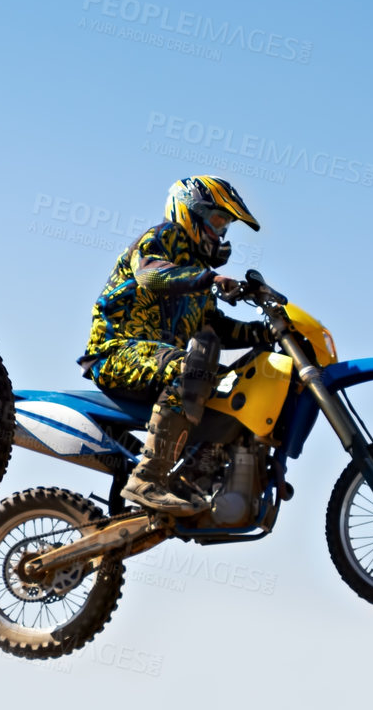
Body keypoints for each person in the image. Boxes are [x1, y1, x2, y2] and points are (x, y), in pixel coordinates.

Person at [78, 176, 269, 515]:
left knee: (226, 382)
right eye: (217, 221)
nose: (220, 234)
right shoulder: (163, 238)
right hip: (117, 351)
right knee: (193, 363)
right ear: (190, 211)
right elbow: (151, 274)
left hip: (158, 363)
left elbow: (215, 327)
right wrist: (211, 279)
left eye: (225, 226)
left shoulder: (196, 270)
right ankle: (147, 479)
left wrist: (264, 332)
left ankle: (193, 479)